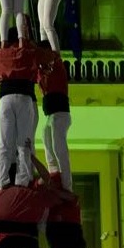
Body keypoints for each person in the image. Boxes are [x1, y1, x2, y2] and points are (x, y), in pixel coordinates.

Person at [0, 36, 53, 188]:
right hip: (25, 98)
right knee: (23, 143)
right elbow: (51, 57)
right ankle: (23, 179)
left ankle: (2, 180)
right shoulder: (29, 52)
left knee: (4, 143)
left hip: (6, 99)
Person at [37, 43, 72, 191]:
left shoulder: (57, 65)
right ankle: (55, 176)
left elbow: (55, 54)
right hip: (50, 115)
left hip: (60, 113)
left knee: (59, 149)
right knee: (47, 141)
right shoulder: (41, 71)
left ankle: (66, 185)